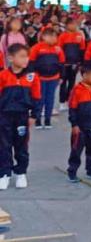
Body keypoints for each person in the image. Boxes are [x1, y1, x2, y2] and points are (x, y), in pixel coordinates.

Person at [0, 44, 40, 190]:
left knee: (21, 145)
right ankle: (4, 173)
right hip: (4, 116)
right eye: (22, 56)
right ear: (11, 58)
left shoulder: (32, 77)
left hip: (22, 116)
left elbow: (37, 97)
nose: (26, 59)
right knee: (4, 145)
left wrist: (34, 115)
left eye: (27, 56)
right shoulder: (3, 76)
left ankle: (21, 172)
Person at [66, 64, 91, 182]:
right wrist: (74, 125)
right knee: (76, 150)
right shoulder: (77, 91)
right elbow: (72, 109)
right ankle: (72, 171)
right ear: (84, 75)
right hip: (80, 127)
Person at [29, 28, 65, 129]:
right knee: (39, 100)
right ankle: (38, 120)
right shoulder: (36, 48)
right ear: (44, 37)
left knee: (50, 100)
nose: (54, 38)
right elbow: (31, 63)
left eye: (55, 36)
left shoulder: (58, 49)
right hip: (40, 78)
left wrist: (62, 76)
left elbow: (62, 64)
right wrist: (32, 77)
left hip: (53, 78)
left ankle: (48, 120)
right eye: (51, 36)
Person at [58, 18, 85, 111]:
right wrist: (61, 62)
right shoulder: (62, 36)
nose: (74, 26)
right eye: (72, 24)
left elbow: (82, 49)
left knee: (71, 83)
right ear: (67, 25)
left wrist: (80, 62)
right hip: (64, 64)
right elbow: (59, 50)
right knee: (63, 83)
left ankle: (68, 100)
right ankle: (62, 101)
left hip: (75, 63)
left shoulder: (79, 36)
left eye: (75, 24)